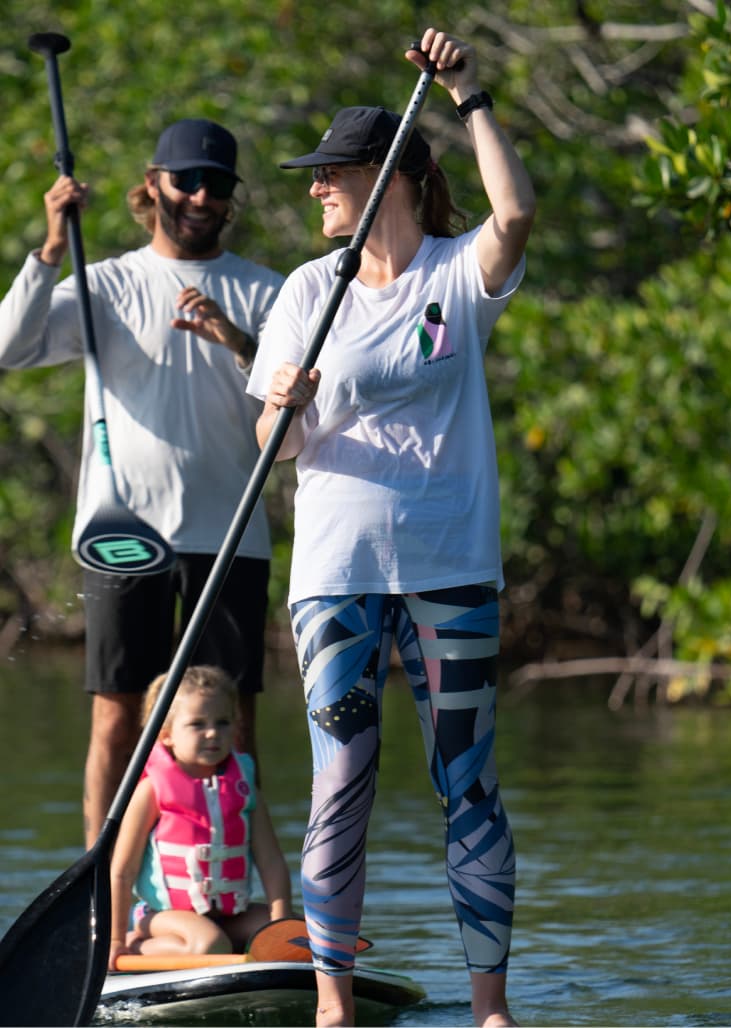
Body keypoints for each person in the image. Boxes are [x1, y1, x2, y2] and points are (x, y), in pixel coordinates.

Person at [247, 27, 535, 1028]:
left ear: (390, 179)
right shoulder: (302, 292)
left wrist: (468, 95)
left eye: (333, 172)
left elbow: (517, 209)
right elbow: (273, 449)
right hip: (337, 573)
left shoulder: (456, 275)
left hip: (450, 563)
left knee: (469, 784)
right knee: (341, 786)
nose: (317, 187)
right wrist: (282, 401)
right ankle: (332, 1004)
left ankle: (489, 1007)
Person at [0, 118, 284, 849]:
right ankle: (106, 888)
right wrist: (52, 248)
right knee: (117, 715)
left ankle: (228, 882)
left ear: (231, 198)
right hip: (123, 535)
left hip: (230, 537)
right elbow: (10, 347)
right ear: (152, 184)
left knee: (234, 721)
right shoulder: (107, 282)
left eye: (216, 185)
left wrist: (238, 342)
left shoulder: (266, 291)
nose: (199, 196)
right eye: (185, 180)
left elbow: (296, 407)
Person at [108, 665, 292, 968]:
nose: (212, 733)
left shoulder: (245, 789)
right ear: (167, 736)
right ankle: (137, 945)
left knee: (298, 935)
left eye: (222, 722)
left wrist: (282, 923)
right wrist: (114, 940)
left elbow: (271, 862)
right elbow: (122, 871)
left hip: (229, 916)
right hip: (164, 917)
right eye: (197, 724)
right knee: (209, 944)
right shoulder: (151, 790)